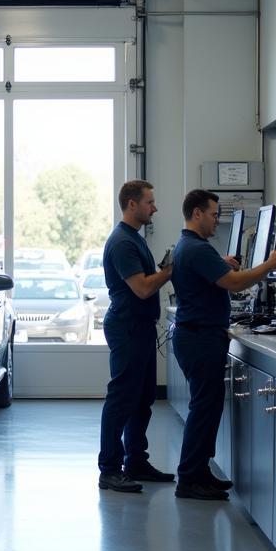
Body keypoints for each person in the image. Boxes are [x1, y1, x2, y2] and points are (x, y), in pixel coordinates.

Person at [171, 189, 276, 500]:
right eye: (213, 214)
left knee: (207, 408)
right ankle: (189, 478)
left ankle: (199, 471)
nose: (216, 220)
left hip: (198, 335)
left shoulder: (192, 246)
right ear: (197, 213)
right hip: (199, 338)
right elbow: (234, 283)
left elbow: (217, 277)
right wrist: (270, 263)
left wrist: (221, 265)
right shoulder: (196, 249)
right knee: (203, 408)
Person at [97, 180, 175, 494]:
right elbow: (142, 287)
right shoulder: (122, 243)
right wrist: (170, 270)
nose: (154, 207)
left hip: (140, 328)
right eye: (149, 202)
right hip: (127, 327)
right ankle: (110, 469)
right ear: (132, 204)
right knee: (122, 399)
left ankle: (136, 461)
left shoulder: (134, 238)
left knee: (142, 399)